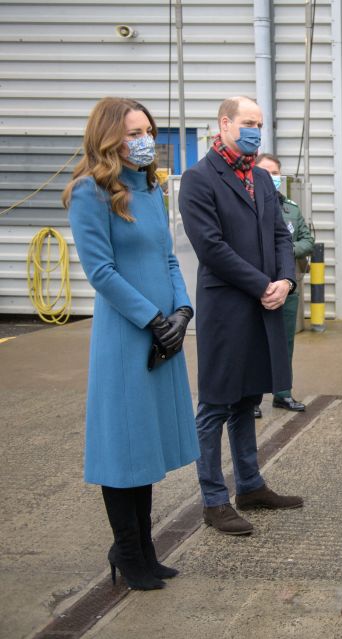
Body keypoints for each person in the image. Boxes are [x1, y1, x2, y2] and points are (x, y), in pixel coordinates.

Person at [64, 97, 200, 590]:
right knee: (123, 448)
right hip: (127, 336)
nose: (144, 141)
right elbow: (101, 271)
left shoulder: (150, 189)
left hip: (164, 331)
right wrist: (151, 318)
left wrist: (183, 311)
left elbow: (167, 259)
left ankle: (144, 549)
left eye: (148, 131)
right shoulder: (89, 192)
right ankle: (127, 551)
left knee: (145, 444)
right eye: (133, 133)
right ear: (108, 139)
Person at [178, 96, 303, 536]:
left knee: (249, 398)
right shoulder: (198, 180)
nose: (255, 130)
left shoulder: (263, 180)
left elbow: (281, 237)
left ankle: (250, 484)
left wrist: (285, 281)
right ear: (224, 123)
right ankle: (214, 500)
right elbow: (211, 248)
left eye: (259, 124)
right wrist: (262, 285)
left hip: (264, 303)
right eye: (248, 122)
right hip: (228, 308)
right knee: (215, 403)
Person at [253, 153, 314, 415]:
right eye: (265, 172)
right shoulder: (248, 206)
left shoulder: (291, 208)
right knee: (255, 344)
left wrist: (284, 250)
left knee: (285, 342)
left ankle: (282, 393)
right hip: (258, 288)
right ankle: (252, 399)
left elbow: (307, 241)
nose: (271, 178)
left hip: (287, 287)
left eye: (275, 173)